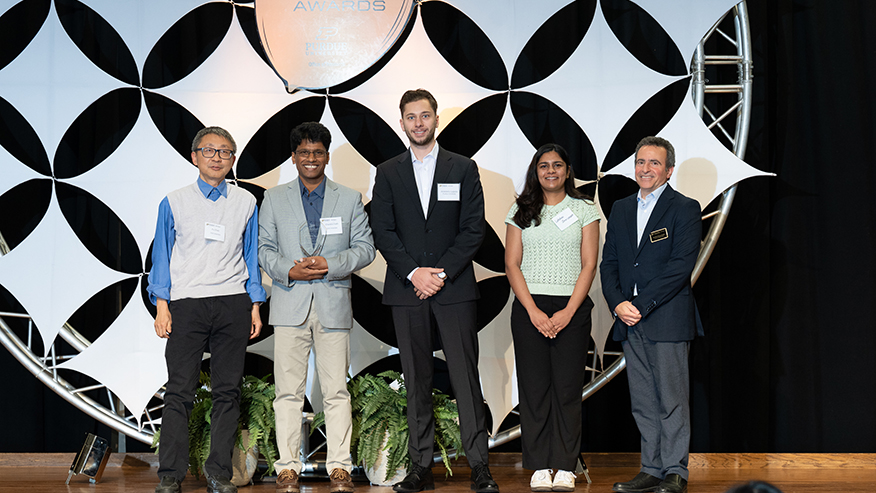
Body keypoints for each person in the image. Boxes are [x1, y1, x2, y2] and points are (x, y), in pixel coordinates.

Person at [370, 89, 498, 493]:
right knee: (416, 379)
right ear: (402, 122)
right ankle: (420, 466)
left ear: (436, 119)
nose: (419, 123)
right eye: (411, 117)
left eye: (425, 115)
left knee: (465, 378)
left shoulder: (463, 167)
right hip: (407, 291)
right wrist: (413, 273)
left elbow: (473, 228)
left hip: (454, 288)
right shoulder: (388, 171)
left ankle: (480, 466)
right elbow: (383, 231)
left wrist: (438, 274)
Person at [258, 122, 375, 493]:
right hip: (290, 302)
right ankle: (287, 466)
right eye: (304, 153)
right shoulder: (274, 199)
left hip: (333, 302)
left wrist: (330, 264)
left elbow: (365, 248)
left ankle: (339, 465)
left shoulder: (349, 198)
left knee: (336, 390)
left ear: (327, 156)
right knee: (287, 392)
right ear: (294, 158)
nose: (311, 159)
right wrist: (288, 270)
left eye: (318, 152)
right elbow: (263, 250)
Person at [148, 126, 266, 493]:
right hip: (186, 303)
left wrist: (255, 304)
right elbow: (162, 257)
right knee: (179, 392)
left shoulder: (246, 201)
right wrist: (161, 305)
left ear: (233, 160)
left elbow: (251, 255)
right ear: (194, 156)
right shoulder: (174, 201)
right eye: (210, 151)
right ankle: (170, 473)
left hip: (233, 301)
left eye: (225, 152)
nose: (217, 158)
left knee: (227, 392)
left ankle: (219, 472)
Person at [600, 136, 703, 493]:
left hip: (665, 319)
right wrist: (617, 303)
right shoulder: (622, 208)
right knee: (643, 401)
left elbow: (679, 268)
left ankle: (676, 470)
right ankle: (652, 468)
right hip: (628, 320)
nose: (646, 169)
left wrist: (640, 305)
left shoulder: (685, 208)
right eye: (641, 162)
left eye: (654, 163)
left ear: (669, 170)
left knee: (672, 399)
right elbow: (609, 262)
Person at [504, 144, 599, 492]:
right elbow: (511, 264)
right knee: (534, 389)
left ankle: (564, 465)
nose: (551, 171)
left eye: (557, 165)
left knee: (567, 389)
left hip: (571, 309)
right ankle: (540, 464)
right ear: (536, 171)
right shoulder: (521, 209)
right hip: (530, 308)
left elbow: (589, 264)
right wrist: (533, 310)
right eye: (544, 166)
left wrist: (568, 312)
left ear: (568, 170)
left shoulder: (585, 209)